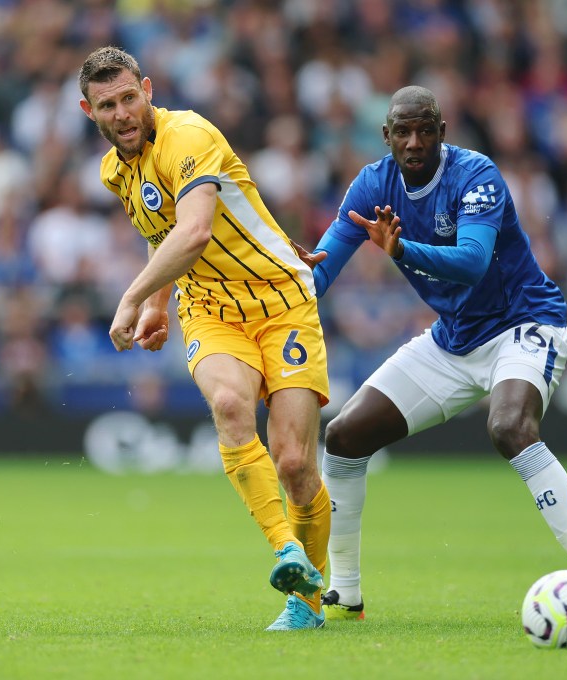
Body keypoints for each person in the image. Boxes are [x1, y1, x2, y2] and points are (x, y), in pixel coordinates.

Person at [294, 85, 567, 624]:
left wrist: (402, 248)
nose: (414, 142)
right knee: (343, 435)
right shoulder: (370, 186)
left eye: (425, 130)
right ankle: (346, 593)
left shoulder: (476, 176)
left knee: (509, 428)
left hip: (524, 325)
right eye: (402, 132)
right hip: (454, 339)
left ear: (442, 133)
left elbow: (474, 261)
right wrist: (278, 278)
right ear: (385, 136)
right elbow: (319, 274)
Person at [78, 46, 331, 631]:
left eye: (128, 98)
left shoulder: (188, 135)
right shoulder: (115, 171)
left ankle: (311, 600)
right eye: (107, 105)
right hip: (211, 307)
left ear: (147, 88)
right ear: (88, 111)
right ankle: (287, 554)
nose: (121, 113)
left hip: (282, 300)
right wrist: (162, 303)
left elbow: (192, 232)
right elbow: (160, 231)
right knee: (227, 403)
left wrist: (133, 297)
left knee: (295, 463)